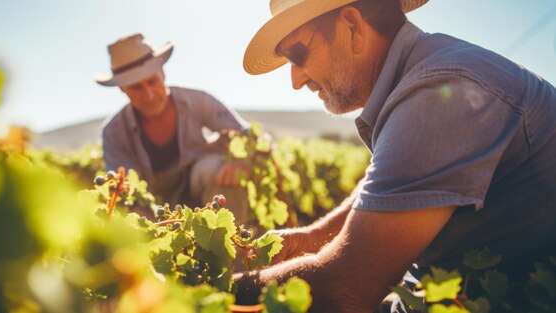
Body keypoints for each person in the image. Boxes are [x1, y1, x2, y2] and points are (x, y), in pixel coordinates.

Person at [234, 0, 556, 312]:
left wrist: (205, 294)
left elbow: (344, 288)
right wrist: (312, 237)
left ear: (352, 26)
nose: (295, 80)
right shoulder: (420, 74)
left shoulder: (439, 91)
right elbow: (388, 185)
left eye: (298, 53)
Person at [95, 33, 251, 222]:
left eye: (152, 81)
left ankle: (231, 245)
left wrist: (240, 160)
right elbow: (126, 192)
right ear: (122, 89)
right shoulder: (113, 133)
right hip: (156, 210)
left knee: (220, 168)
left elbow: (247, 135)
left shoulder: (197, 100)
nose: (150, 95)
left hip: (202, 188)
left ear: (163, 73)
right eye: (136, 88)